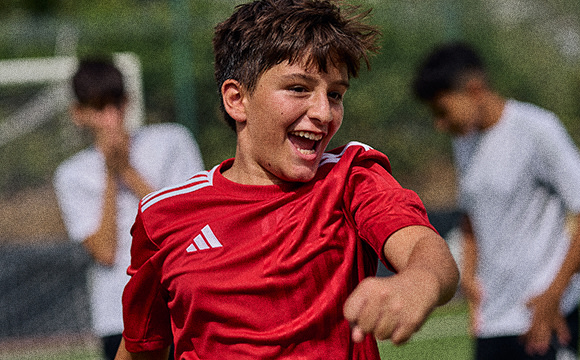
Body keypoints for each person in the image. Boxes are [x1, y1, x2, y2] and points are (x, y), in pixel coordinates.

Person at [115, 1, 459, 359]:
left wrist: (418, 283)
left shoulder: (350, 178)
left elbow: (427, 250)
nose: (324, 112)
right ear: (237, 99)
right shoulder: (163, 216)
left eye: (335, 94)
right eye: (298, 88)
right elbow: (142, 347)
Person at [412, 42, 580, 360]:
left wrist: (553, 294)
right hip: (492, 321)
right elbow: (472, 216)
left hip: (541, 317)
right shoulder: (465, 142)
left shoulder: (538, 129)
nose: (440, 124)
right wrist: (471, 280)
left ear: (474, 90)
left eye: (443, 111)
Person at [54, 58, 204, 360]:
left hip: (185, 301)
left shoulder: (172, 140)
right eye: (99, 108)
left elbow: (189, 223)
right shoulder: (71, 174)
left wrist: (128, 171)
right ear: (79, 114)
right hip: (117, 315)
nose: (111, 117)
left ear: (128, 101)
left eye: (116, 104)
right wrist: (111, 174)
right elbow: (105, 252)